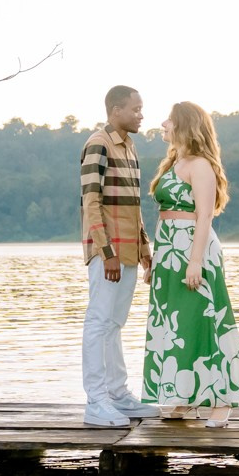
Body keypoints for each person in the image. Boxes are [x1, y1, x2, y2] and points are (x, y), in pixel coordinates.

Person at [142, 101, 239, 426]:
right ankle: (183, 397)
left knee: (206, 320)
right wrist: (156, 261)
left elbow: (205, 214)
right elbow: (165, 214)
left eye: (169, 120)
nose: (163, 124)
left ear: (184, 126)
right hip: (169, 250)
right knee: (177, 325)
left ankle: (223, 399)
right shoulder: (173, 162)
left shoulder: (200, 164)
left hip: (194, 249)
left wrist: (194, 262)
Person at [81, 86, 152, 427]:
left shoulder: (131, 147)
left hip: (128, 251)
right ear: (115, 110)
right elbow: (91, 202)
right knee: (98, 322)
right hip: (106, 252)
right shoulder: (99, 143)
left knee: (115, 324)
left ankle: (119, 395)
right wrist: (105, 251)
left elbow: (133, 205)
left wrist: (144, 248)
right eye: (136, 109)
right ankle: (96, 402)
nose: (141, 114)